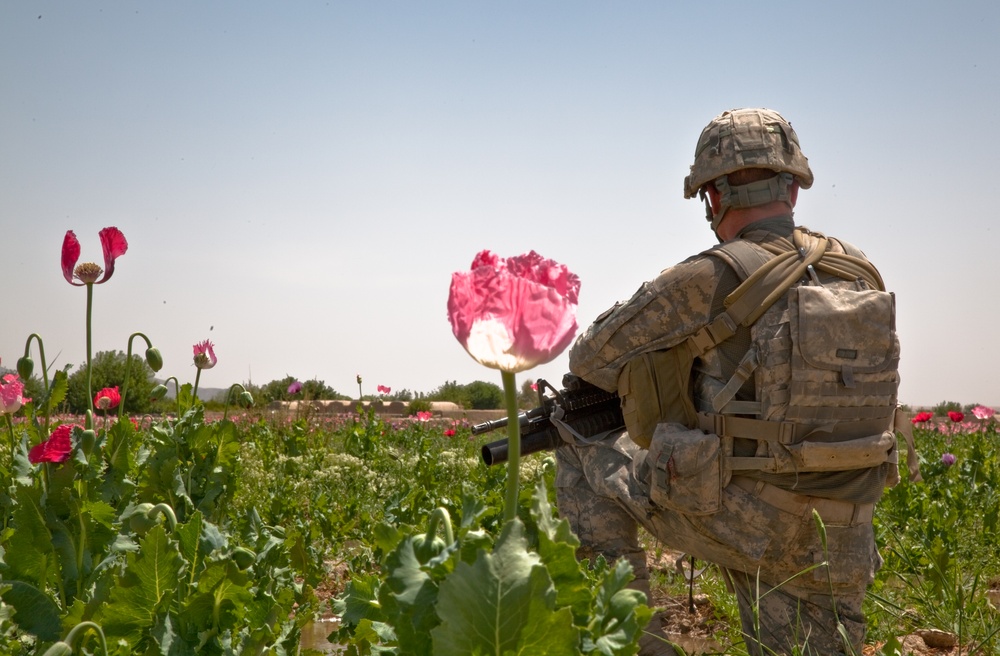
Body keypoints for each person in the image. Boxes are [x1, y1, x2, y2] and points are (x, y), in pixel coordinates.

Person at [555, 108, 911, 655]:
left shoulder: (709, 275)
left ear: (713, 197)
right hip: (844, 536)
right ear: (792, 189)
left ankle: (626, 639)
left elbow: (591, 357)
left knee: (574, 436)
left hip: (748, 523)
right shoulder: (860, 271)